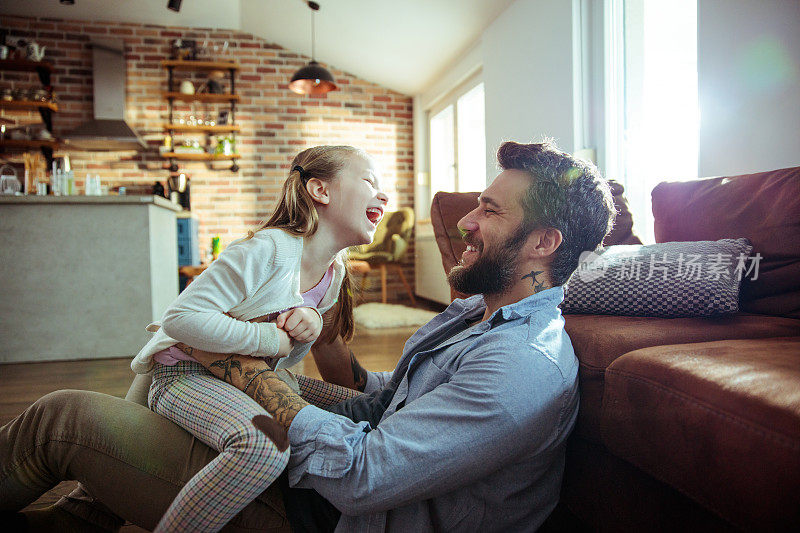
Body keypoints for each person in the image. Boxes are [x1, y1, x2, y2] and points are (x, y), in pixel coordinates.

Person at [0, 140, 616, 532]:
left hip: (328, 514)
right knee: (100, 483)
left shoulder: (520, 367)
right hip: (329, 482)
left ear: (543, 244)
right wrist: (304, 354)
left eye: (489, 209)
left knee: (61, 422)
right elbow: (382, 403)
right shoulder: (473, 315)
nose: (464, 221)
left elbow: (365, 475)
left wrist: (243, 366)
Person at [135, 144, 389, 532]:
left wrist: (311, 324)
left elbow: (290, 353)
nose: (383, 194)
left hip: (257, 377)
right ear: (320, 191)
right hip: (186, 374)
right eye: (369, 181)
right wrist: (269, 340)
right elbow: (181, 317)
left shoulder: (333, 274)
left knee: (369, 409)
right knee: (263, 449)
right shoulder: (267, 249)